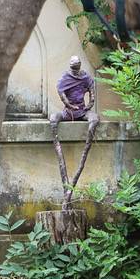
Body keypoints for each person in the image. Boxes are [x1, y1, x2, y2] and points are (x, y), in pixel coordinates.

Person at [49, 56, 100, 209]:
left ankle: (86, 148)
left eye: (76, 66)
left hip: (82, 111)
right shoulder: (66, 77)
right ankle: (67, 197)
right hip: (68, 112)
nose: (75, 68)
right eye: (73, 66)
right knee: (53, 118)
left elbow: (92, 92)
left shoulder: (86, 77)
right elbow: (61, 91)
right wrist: (69, 105)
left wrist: (89, 105)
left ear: (79, 66)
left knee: (94, 120)